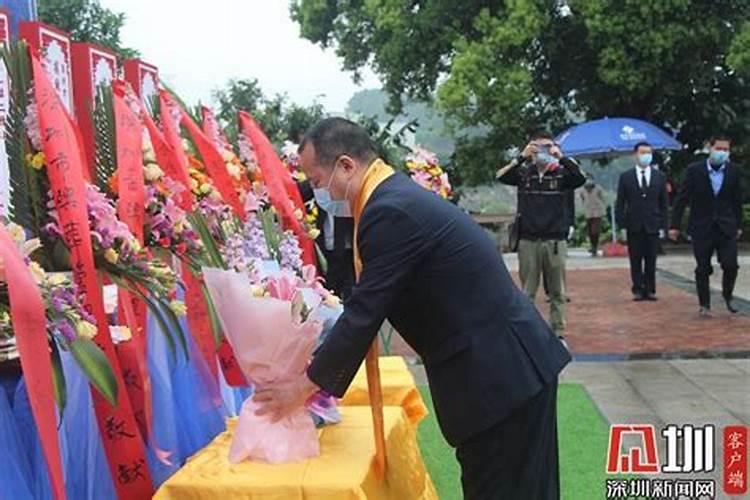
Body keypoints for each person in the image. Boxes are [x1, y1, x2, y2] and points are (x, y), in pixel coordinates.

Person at [254, 118, 570, 499]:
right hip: (505, 369)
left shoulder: (389, 212)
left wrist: (302, 387)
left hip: (501, 376)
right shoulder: (391, 196)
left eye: (318, 182)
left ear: (347, 166)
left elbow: (365, 313)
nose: (318, 193)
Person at [497, 131, 586, 339]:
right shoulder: (524, 173)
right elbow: (501, 176)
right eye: (537, 147)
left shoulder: (561, 174)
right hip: (528, 240)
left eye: (546, 147)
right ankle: (529, 332)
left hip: (555, 240)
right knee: (527, 292)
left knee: (557, 292)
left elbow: (580, 178)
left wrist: (561, 157)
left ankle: (558, 332)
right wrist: (521, 157)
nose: (542, 152)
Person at [669, 136, 744, 316]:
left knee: (731, 264)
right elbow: (681, 199)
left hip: (726, 226)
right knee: (703, 267)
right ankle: (705, 304)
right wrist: (675, 225)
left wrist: (738, 224)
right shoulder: (695, 171)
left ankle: (728, 295)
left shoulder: (734, 171)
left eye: (726, 150)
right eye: (719, 148)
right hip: (702, 227)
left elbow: (737, 200)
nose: (722, 153)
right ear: (710, 148)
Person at [615, 142, 669, 301]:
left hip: (653, 223)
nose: (646, 156)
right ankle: (638, 288)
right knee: (636, 259)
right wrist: (622, 226)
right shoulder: (626, 177)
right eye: (643, 152)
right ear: (635, 155)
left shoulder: (659, 177)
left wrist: (663, 226)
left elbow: (664, 203)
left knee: (651, 259)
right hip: (634, 224)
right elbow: (620, 203)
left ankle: (650, 289)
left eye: (649, 152)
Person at [298, 181, 356, 300]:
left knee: (349, 287)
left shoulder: (348, 180)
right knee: (329, 286)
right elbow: (298, 192)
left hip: (348, 245)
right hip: (325, 245)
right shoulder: (319, 180)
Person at [580, 174, 607, 256]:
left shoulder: (598, 188)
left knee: (595, 231)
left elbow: (603, 198)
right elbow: (583, 199)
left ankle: (595, 246)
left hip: (598, 212)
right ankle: (593, 247)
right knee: (590, 231)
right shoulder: (582, 190)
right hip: (588, 212)